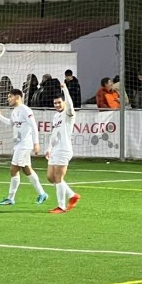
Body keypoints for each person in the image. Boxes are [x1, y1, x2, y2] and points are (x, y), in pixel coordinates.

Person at [0, 88, 48, 206]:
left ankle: (10, 198)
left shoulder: (26, 110)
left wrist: (36, 143)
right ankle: (42, 193)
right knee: (27, 169)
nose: (8, 99)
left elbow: (33, 126)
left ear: (17, 97)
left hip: (24, 145)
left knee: (14, 169)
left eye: (10, 96)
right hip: (18, 144)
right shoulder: (15, 111)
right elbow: (11, 123)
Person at [45, 85, 79, 214]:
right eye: (55, 103)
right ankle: (72, 195)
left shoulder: (68, 114)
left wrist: (65, 89)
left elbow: (70, 105)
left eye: (59, 102)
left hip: (64, 149)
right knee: (50, 177)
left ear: (63, 102)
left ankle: (61, 206)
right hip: (55, 150)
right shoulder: (56, 116)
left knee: (58, 177)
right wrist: (49, 148)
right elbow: (54, 133)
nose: (57, 105)